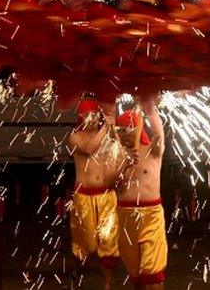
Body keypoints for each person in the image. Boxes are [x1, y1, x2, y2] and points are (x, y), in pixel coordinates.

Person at [67, 94, 125, 290]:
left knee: (108, 243)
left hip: (107, 196)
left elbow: (116, 162)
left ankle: (107, 284)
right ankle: (77, 272)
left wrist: (123, 162)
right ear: (80, 117)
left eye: (94, 115)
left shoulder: (108, 137)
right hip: (83, 197)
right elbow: (90, 149)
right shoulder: (74, 137)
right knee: (87, 245)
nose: (90, 118)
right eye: (87, 115)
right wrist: (107, 127)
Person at [115, 97, 167, 289]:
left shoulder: (153, 150)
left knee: (154, 275)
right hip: (125, 216)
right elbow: (113, 183)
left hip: (150, 214)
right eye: (119, 130)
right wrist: (125, 163)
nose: (122, 133)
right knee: (137, 276)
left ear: (136, 129)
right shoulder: (116, 154)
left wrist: (149, 105)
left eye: (125, 129)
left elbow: (159, 134)